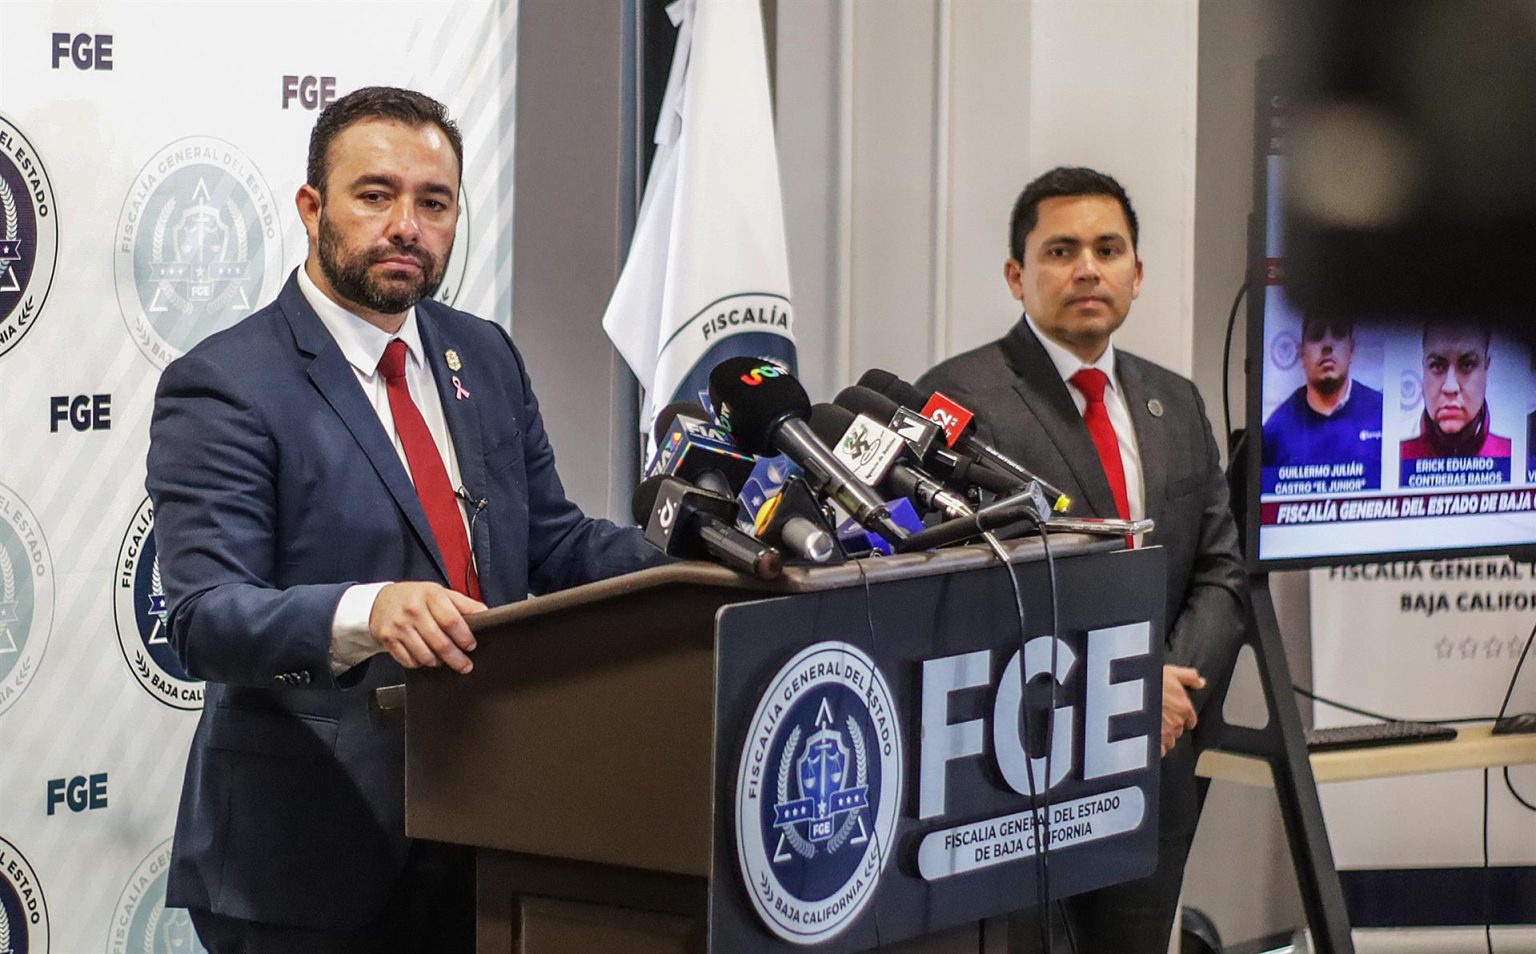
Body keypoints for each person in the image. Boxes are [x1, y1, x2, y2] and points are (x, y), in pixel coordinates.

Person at [146, 87, 667, 952]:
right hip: (309, 859)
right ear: (313, 207)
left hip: (491, 822)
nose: (407, 225)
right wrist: (365, 609)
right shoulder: (229, 383)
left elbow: (552, 543)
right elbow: (206, 618)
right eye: (376, 195)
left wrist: (697, 564)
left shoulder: (484, 352)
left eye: (434, 202)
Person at [916, 166, 1246, 953]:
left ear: (1138, 272)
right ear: (1016, 274)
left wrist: (1167, 691)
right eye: (1061, 250)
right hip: (1018, 777)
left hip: (1155, 762)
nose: (1088, 269)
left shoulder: (1175, 400)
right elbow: (947, 596)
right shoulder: (956, 402)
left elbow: (1220, 572)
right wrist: (1120, 687)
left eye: (1108, 248)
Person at [1261, 314, 1384, 490]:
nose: (1327, 346)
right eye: (1317, 335)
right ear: (1301, 353)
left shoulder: (1383, 413)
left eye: (1339, 333)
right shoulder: (1276, 430)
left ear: (1352, 349)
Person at [1400, 321, 1511, 460]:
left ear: (1486, 367)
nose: (1450, 387)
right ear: (1423, 367)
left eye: (1467, 364)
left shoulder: (1514, 456)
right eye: (1437, 365)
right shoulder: (1396, 457)